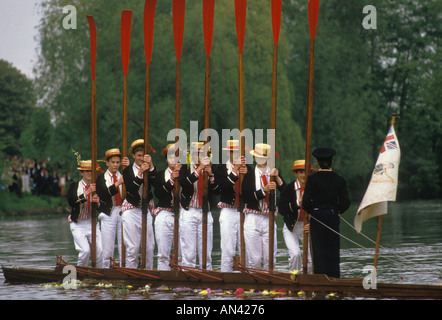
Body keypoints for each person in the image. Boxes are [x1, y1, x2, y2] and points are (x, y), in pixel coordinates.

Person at [302, 147, 351, 278]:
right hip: (333, 216)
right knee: (333, 251)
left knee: (319, 251)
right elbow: (346, 202)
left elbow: (305, 202)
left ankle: (320, 280)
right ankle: (335, 279)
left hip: (317, 217)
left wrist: (314, 211)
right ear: (332, 161)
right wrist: (337, 211)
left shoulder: (312, 179)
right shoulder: (339, 179)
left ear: (317, 163)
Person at [242, 143, 286, 269]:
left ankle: (270, 285)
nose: (261, 160)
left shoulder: (273, 173)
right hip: (252, 217)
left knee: (270, 258)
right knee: (255, 259)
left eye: (264, 158)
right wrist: (263, 190)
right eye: (258, 157)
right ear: (255, 158)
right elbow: (245, 197)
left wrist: (277, 178)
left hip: (269, 217)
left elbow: (286, 191)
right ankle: (254, 285)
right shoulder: (249, 175)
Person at [178, 141, 219, 269]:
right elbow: (184, 183)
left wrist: (211, 176)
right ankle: (188, 273)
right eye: (196, 153)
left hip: (204, 211)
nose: (199, 156)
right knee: (189, 251)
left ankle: (207, 274)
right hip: (189, 211)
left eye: (202, 153)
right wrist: (199, 169)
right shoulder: (184, 168)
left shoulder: (210, 169)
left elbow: (217, 191)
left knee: (206, 250)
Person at [121, 139, 156, 269]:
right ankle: (132, 272)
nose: (141, 158)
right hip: (131, 210)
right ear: (134, 156)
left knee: (149, 247)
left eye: (143, 155)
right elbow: (131, 189)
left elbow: (155, 183)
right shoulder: (128, 171)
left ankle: (149, 272)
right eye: (139, 155)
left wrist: (150, 166)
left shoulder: (151, 168)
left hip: (145, 210)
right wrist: (140, 173)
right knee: (133, 247)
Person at [214, 140, 248, 272]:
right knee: (228, 248)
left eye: (239, 152)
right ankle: (226, 275)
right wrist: (235, 170)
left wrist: (245, 174)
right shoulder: (221, 168)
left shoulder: (247, 169)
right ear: (228, 152)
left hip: (244, 211)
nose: (236, 154)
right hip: (228, 210)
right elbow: (223, 187)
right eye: (233, 152)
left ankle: (247, 276)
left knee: (245, 247)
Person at [67, 160, 103, 267]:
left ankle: (99, 273)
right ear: (81, 173)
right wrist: (87, 193)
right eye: (86, 171)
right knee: (85, 251)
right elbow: (72, 202)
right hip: (78, 224)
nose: (89, 174)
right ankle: (80, 273)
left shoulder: (98, 188)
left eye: (92, 171)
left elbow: (103, 208)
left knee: (100, 250)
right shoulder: (75, 186)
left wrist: (98, 202)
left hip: (92, 223)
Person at [278, 160, 312, 273]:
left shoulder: (313, 189)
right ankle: (294, 278)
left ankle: (308, 282)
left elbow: (318, 210)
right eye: (300, 172)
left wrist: (312, 224)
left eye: (305, 172)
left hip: (307, 227)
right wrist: (298, 202)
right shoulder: (288, 189)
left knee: (311, 260)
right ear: (296, 174)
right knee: (295, 254)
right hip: (291, 227)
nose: (303, 175)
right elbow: (282, 209)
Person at [153, 143, 182, 270]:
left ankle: (181, 278)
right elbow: (158, 193)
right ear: (166, 159)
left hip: (182, 214)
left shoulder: (185, 175)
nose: (173, 160)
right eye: (170, 157)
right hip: (164, 214)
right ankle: (163, 276)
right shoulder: (160, 175)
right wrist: (171, 180)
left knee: (182, 253)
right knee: (163, 253)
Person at [96, 148, 124, 268]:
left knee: (124, 245)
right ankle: (106, 269)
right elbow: (104, 194)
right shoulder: (101, 178)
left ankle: (124, 268)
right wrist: (117, 184)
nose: (115, 165)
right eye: (113, 162)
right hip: (109, 212)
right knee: (107, 247)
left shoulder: (123, 176)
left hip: (122, 211)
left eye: (118, 162)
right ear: (107, 163)